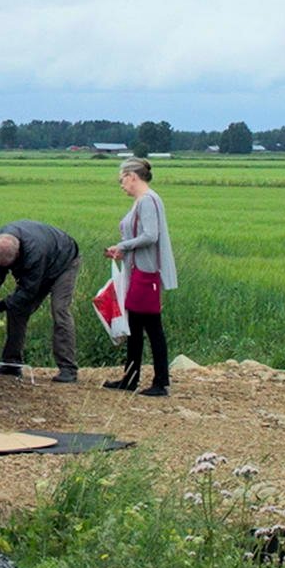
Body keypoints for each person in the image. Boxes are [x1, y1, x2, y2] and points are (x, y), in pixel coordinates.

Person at [103, 157, 176, 396]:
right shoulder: (143, 201)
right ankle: (131, 378)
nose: (121, 184)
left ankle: (160, 382)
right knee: (135, 325)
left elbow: (150, 235)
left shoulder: (147, 201)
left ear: (133, 176)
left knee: (152, 327)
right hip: (138, 272)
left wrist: (123, 246)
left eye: (122, 179)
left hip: (146, 274)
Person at [0, 220, 82, 383]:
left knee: (59, 310)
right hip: (42, 260)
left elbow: (28, 292)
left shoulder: (35, 254)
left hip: (64, 263)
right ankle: (11, 363)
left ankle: (68, 369)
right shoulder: (0, 242)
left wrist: (0, 306)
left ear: (17, 255)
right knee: (16, 310)